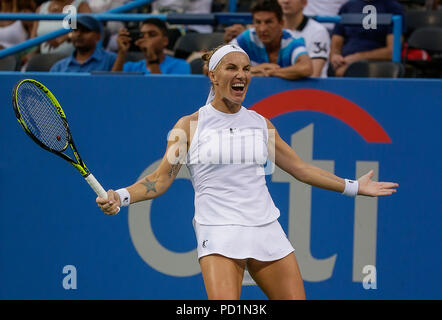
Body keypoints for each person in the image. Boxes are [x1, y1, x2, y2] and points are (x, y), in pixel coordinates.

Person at [96, 44, 399, 300]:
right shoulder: (188, 126)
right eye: (231, 68)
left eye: (246, 69)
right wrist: (120, 197)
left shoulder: (260, 124)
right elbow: (160, 179)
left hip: (265, 227)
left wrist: (353, 187)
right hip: (217, 230)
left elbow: (301, 169)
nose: (240, 75)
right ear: (213, 76)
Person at [230, 0, 313, 80]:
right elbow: (220, 64)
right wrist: (253, 70)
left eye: (268, 22)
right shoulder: (247, 38)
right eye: (258, 22)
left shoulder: (293, 41)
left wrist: (270, 73)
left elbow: (306, 68)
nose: (262, 29)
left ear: (281, 23)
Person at [330, 0, 405, 77]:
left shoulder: (393, 7)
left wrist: (357, 57)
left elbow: (392, 52)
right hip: (344, 61)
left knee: (352, 70)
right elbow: (336, 39)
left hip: (375, 64)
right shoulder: (347, 6)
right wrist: (335, 55)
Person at [112, 18, 191, 75]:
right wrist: (121, 52)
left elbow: (163, 93)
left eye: (152, 35)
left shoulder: (180, 65)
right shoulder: (130, 67)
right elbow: (112, 87)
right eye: (142, 35)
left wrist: (152, 59)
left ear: (165, 41)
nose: (146, 38)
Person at [278, 0, 330, 78]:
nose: (286, 1)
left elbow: (314, 74)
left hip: (309, 88)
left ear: (304, 2)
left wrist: (273, 72)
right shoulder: (269, 30)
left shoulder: (318, 31)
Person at [50, 15, 116, 72]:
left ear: (98, 37)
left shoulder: (111, 60)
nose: (78, 34)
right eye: (75, 30)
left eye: (85, 31)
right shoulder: (59, 67)